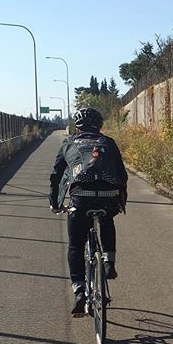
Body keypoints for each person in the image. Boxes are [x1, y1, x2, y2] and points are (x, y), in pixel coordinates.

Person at [49, 107, 128, 317]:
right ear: (100, 126)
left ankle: (79, 291)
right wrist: (121, 201)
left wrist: (55, 202)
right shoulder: (108, 143)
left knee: (76, 244)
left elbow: (56, 175)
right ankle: (109, 262)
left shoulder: (68, 143)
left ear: (77, 127)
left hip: (80, 198)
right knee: (107, 218)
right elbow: (121, 173)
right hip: (108, 196)